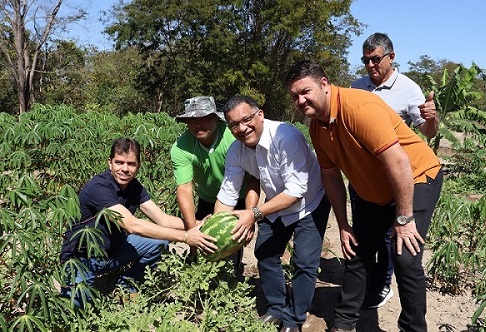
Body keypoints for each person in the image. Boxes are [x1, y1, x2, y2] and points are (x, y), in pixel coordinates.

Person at [285, 59, 443, 332]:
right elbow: (331, 176)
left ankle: (413, 328)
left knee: (405, 255)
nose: (300, 100)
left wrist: (403, 220)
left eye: (305, 91)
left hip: (416, 176)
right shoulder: (317, 126)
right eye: (295, 96)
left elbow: (398, 163)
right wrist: (344, 226)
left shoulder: (359, 108)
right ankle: (344, 323)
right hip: (375, 188)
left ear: (324, 84)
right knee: (358, 252)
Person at [214, 95, 331, 332]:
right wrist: (216, 226)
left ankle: (295, 319)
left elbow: (296, 191)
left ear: (260, 114)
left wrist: (253, 214)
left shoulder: (286, 137)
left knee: (304, 263)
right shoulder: (237, 151)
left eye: (246, 119)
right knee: (265, 253)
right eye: (234, 125)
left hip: (310, 202)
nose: (242, 128)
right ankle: (277, 308)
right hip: (276, 202)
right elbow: (228, 193)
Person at [60, 138, 217, 307]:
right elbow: (132, 225)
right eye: (119, 162)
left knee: (159, 243)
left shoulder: (135, 187)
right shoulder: (98, 188)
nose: (125, 169)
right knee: (79, 309)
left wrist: (198, 224)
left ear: (138, 166)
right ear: (110, 163)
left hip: (114, 250)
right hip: (81, 259)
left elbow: (162, 219)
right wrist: (185, 237)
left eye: (131, 164)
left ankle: (126, 286)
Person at [350, 32, 440, 309]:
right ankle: (370, 282)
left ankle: (382, 284)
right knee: (366, 234)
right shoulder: (358, 87)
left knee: (394, 234)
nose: (370, 66)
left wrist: (431, 119)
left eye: (375, 59)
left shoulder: (409, 89)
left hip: (395, 174)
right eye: (366, 60)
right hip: (364, 175)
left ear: (391, 56)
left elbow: (426, 132)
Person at [170, 96, 259, 269]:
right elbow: (184, 189)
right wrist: (191, 230)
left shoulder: (233, 137)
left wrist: (250, 215)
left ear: (216, 119)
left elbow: (253, 178)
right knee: (201, 245)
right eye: (192, 120)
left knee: (230, 245)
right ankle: (199, 282)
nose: (198, 125)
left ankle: (231, 280)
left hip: (239, 197)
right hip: (208, 198)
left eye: (204, 119)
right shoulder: (181, 147)